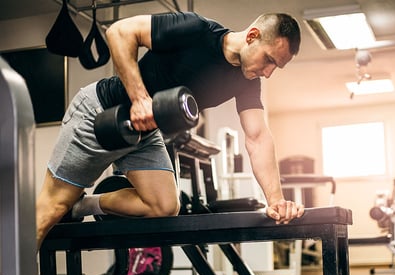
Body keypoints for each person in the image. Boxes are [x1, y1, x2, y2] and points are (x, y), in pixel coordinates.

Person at [36, 11, 304, 249]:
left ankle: (82, 206)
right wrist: (141, 98)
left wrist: (276, 200)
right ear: (252, 36)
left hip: (143, 132)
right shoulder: (196, 30)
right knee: (52, 209)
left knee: (163, 206)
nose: (268, 72)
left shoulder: (247, 82)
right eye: (268, 59)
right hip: (101, 111)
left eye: (275, 67)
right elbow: (120, 31)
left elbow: (258, 138)